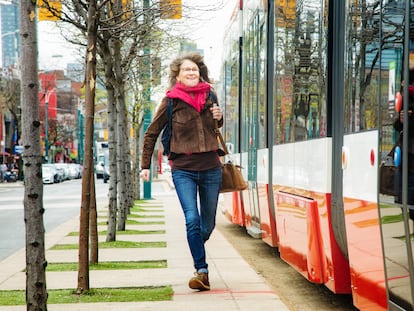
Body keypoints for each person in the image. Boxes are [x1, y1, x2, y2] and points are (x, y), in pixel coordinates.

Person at [140, 52, 223, 291]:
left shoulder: (211, 95)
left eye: (195, 70)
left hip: (211, 169)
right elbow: (151, 134)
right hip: (183, 170)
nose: (191, 73)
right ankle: (202, 270)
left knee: (206, 225)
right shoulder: (170, 102)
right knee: (192, 219)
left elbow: (215, 127)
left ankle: (196, 245)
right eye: (186, 70)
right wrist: (145, 166)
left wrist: (219, 116)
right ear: (177, 74)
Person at [393, 85, 414, 220]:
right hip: (405, 162)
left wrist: (409, 120)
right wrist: (401, 121)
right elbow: (397, 126)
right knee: (403, 200)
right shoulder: (404, 100)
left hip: (411, 163)